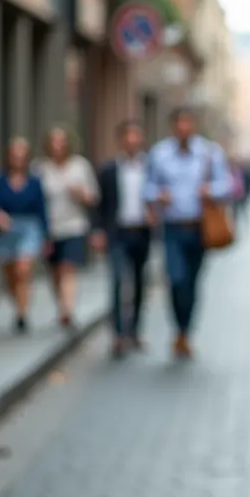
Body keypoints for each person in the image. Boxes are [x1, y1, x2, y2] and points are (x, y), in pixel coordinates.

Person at [144, 107, 233, 359]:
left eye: (187, 123)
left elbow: (227, 184)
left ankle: (185, 332)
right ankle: (178, 328)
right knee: (176, 279)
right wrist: (157, 196)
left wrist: (211, 191)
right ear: (173, 126)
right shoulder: (159, 154)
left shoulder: (209, 152)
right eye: (179, 123)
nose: (183, 128)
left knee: (192, 282)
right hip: (172, 228)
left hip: (199, 229)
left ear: (193, 126)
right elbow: (147, 187)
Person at [91, 120, 154, 358]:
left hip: (142, 232)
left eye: (136, 137)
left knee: (139, 282)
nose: (132, 141)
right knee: (118, 281)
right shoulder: (108, 170)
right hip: (117, 233)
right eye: (127, 137)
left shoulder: (150, 168)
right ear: (121, 140)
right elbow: (100, 204)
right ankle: (118, 334)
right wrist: (97, 230)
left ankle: (134, 330)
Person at [0, 137, 51, 334]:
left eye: (22, 155)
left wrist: (46, 236)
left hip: (29, 227)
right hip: (6, 229)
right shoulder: (0, 181)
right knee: (10, 276)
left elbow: (42, 209)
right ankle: (18, 304)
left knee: (23, 270)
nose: (18, 158)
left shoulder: (34, 181)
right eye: (14, 155)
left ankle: (22, 315)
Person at [36, 126, 98, 329]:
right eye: (53, 142)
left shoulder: (80, 166)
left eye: (61, 141)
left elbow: (93, 198)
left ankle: (67, 311)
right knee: (54, 271)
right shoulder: (40, 168)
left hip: (74, 226)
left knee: (68, 268)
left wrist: (81, 193)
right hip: (49, 229)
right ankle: (62, 304)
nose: (57, 146)